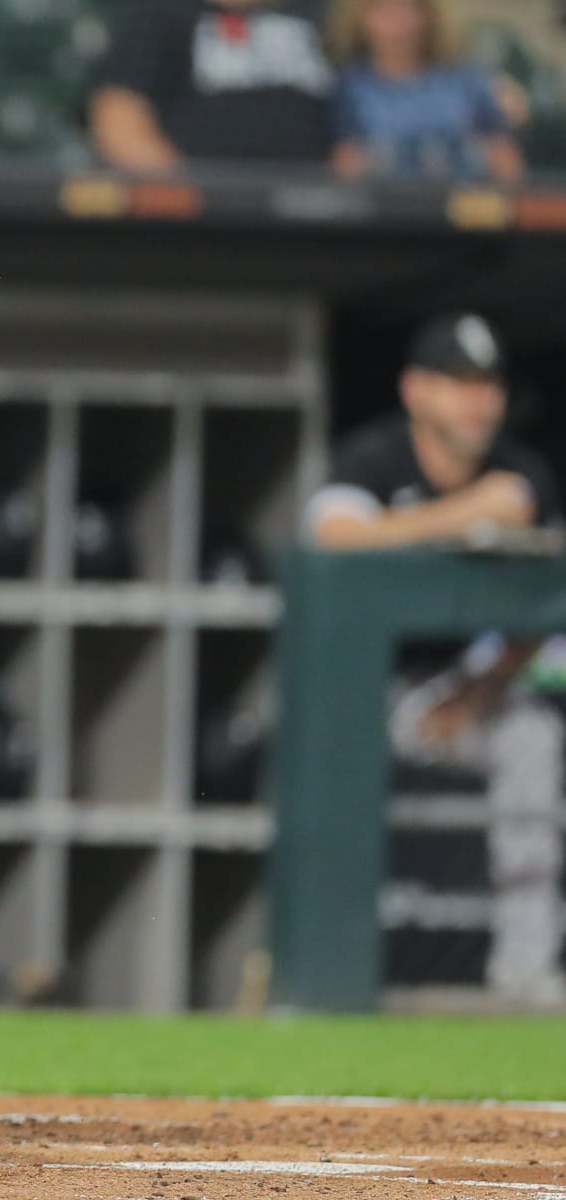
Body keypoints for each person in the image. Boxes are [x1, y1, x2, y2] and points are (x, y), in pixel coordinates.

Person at [302, 312, 566, 1006]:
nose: (478, 401)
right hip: (358, 688)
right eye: (459, 383)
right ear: (417, 390)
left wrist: (478, 694)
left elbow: (545, 610)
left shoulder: (522, 473)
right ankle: (326, 975)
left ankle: (524, 968)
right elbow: (331, 536)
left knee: (534, 736)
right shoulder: (374, 458)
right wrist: (464, 515)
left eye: (488, 385)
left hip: (465, 683)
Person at [91, 0, 334, 171]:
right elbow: (119, 122)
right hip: (198, 225)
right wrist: (193, 196)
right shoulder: (159, 13)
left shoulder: (318, 15)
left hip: (323, 220)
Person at [327, 0, 524, 183]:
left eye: (410, 9)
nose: (398, 24)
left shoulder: (467, 80)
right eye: (383, 9)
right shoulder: (350, 86)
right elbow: (345, 167)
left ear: (429, 16)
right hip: (385, 210)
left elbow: (504, 159)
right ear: (361, 18)